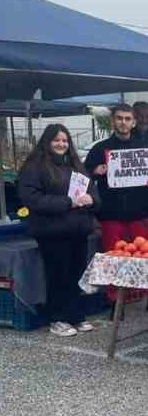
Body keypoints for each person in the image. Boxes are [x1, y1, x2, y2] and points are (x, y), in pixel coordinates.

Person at [84, 103, 148, 315]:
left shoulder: (146, 147)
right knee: (114, 258)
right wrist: (95, 171)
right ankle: (115, 302)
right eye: (120, 118)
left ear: (133, 122)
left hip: (140, 213)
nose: (123, 122)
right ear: (113, 121)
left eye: (127, 119)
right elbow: (84, 177)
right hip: (111, 214)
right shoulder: (99, 149)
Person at [18, 124, 100, 337]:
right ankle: (57, 318)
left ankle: (76, 315)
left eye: (64, 140)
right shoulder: (34, 166)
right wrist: (68, 202)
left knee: (77, 274)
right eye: (57, 140)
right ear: (47, 141)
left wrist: (92, 200)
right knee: (58, 275)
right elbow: (32, 199)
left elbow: (93, 192)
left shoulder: (76, 165)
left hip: (78, 230)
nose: (61, 144)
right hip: (52, 232)